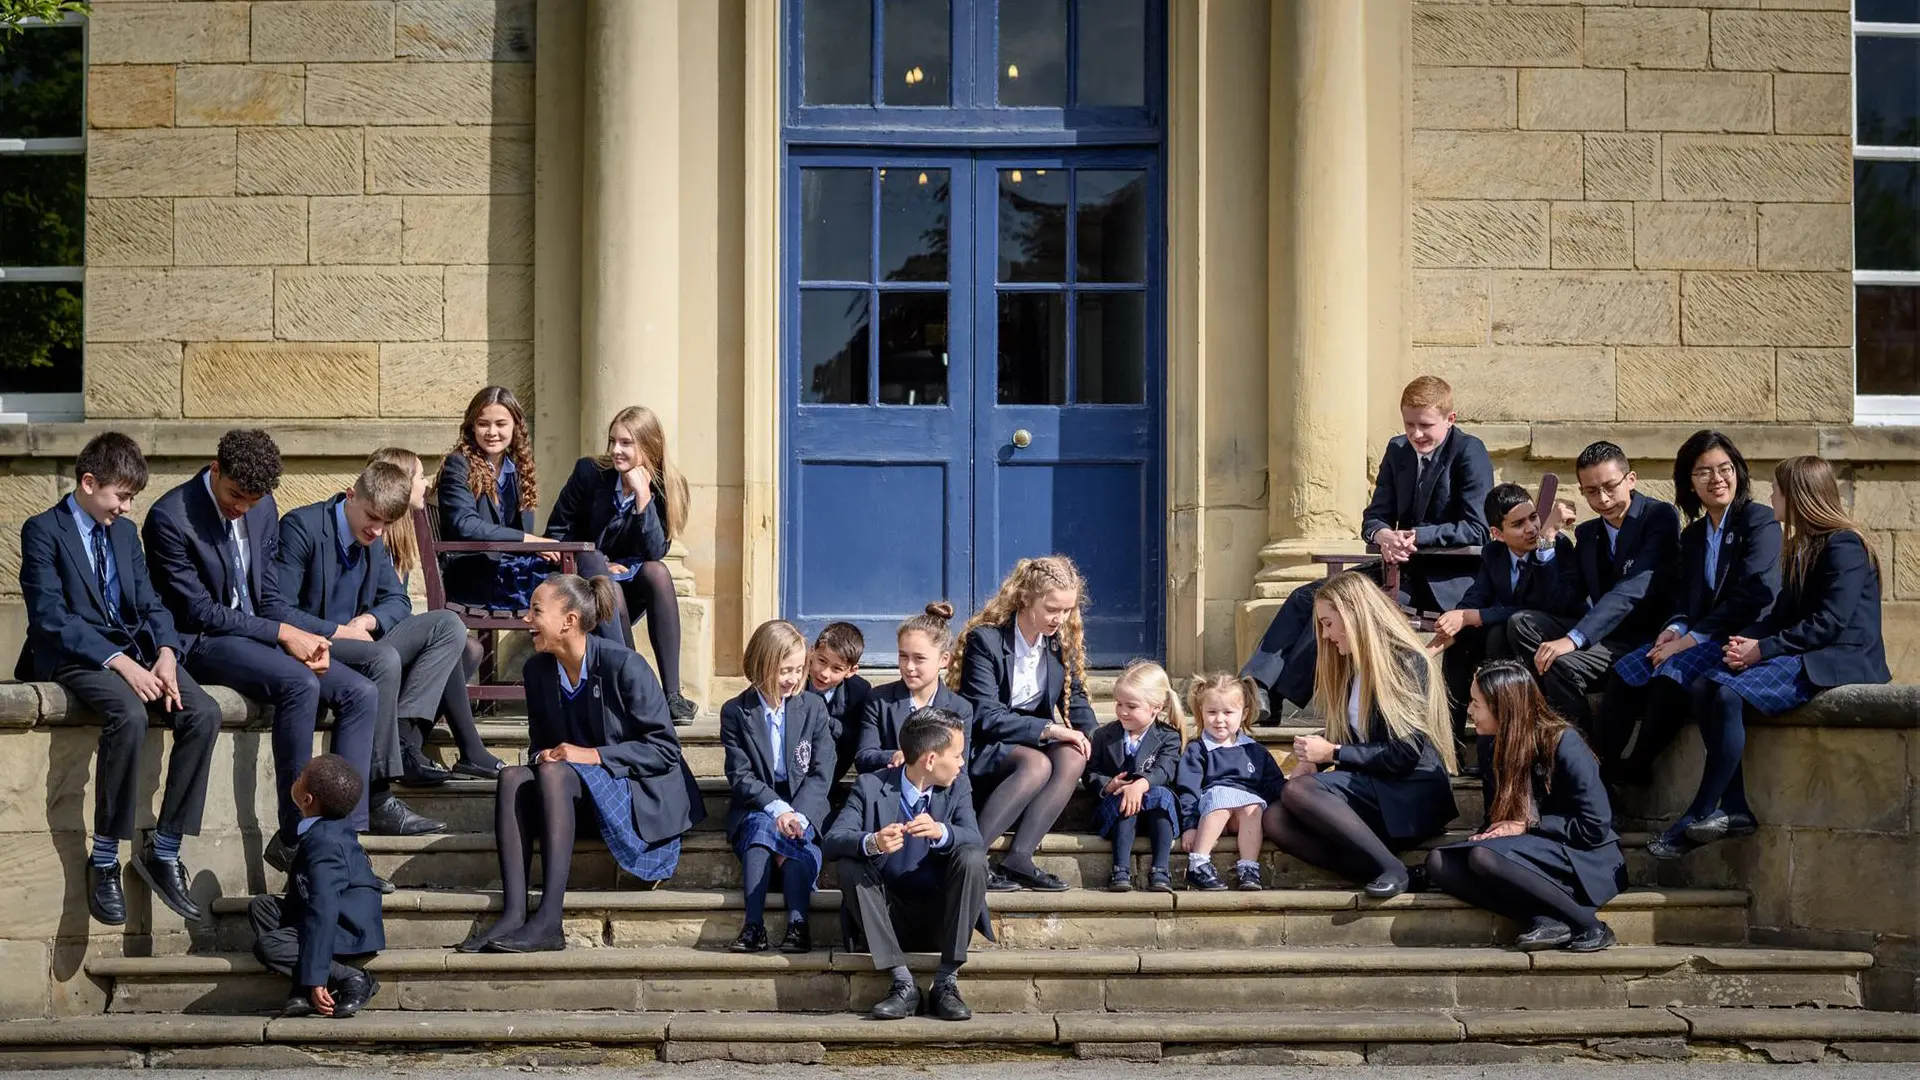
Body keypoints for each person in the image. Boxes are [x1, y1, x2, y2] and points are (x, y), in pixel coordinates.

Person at [143, 430, 381, 867]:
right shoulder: (170, 518)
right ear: (215, 470)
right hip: (200, 642)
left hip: (259, 633)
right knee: (299, 682)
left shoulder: (263, 506)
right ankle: (295, 835)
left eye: (253, 501)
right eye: (235, 495)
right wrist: (282, 635)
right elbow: (200, 612)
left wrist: (302, 637)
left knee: (361, 693)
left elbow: (269, 597)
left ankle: (344, 838)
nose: (242, 508)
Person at [17, 432, 222, 925]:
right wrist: (119, 662)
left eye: (132, 497)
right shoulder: (43, 530)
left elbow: (151, 603)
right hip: (73, 654)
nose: (128, 508)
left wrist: (168, 653)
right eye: (121, 496)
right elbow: (50, 617)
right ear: (88, 483)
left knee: (205, 711)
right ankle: (105, 857)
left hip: (137, 649)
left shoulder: (126, 535)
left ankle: (165, 849)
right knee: (128, 715)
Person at [1650, 455, 1892, 860]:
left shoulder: (1844, 545)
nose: (1770, 496)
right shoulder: (1799, 547)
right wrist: (1745, 641)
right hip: (1807, 651)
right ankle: (1736, 808)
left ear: (1798, 495)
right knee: (1705, 682)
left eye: (1777, 489)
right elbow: (1780, 615)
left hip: (1841, 659)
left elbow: (1829, 623)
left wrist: (1763, 649)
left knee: (1727, 693)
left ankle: (1702, 809)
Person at [458, 575, 703, 953]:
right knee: (512, 777)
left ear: (568, 621)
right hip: (575, 796)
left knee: (555, 773)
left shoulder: (625, 666)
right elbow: (539, 745)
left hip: (636, 794)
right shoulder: (537, 670)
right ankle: (513, 914)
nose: (526, 619)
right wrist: (543, 755)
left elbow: (665, 750)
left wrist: (591, 755)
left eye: (536, 610)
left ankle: (549, 920)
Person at [1242, 375, 1493, 720]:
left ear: (1450, 420)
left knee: (1342, 604)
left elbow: (1477, 528)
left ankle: (1280, 695)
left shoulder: (1468, 451)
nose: (1416, 434)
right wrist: (1382, 536)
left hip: (1443, 582)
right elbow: (1374, 517)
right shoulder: (1397, 450)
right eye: (1409, 424)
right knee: (1308, 596)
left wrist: (1416, 537)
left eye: (1425, 425)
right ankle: (1259, 689)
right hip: (1395, 571)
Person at [276, 461, 466, 834]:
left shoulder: (374, 538)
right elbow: (278, 608)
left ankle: (403, 737)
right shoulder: (302, 527)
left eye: (385, 525)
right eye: (372, 518)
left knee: (448, 625)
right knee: (384, 658)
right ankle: (378, 795)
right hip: (312, 642)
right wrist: (338, 631)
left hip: (357, 639)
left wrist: (367, 622)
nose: (376, 530)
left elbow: (397, 601)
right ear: (351, 496)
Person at [1595, 431, 1780, 789]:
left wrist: (1690, 640)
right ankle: (1599, 770)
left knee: (1672, 672)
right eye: (1703, 472)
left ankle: (1637, 768)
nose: (1717, 479)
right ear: (1689, 483)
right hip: (1697, 634)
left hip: (1743, 635)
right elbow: (1684, 597)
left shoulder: (1759, 521)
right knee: (1627, 668)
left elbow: (1752, 596)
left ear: (1738, 472)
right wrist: (1676, 628)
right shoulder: (1693, 535)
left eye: (1724, 468)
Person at [1264, 572, 1458, 899]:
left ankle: (1391, 869)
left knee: (1301, 790)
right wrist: (1315, 758)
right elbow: (1358, 732)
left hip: (1410, 793)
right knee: (1274, 818)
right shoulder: (1354, 667)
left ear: (1353, 614)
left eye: (1328, 623)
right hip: (1374, 791)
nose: (1324, 636)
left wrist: (1332, 753)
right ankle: (1400, 871)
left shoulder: (1406, 662)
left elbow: (1405, 753)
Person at [1424, 661, 1625, 953]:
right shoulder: (1490, 744)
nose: (1469, 711)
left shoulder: (1563, 742)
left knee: (1483, 858)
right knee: (1439, 863)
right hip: (1527, 847)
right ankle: (1545, 918)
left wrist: (1529, 824)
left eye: (1476, 704)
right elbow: (1496, 815)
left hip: (1579, 852)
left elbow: (1594, 826)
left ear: (1502, 707)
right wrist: (1487, 834)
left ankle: (1591, 926)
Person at [823, 707, 989, 1022]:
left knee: (972, 856)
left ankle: (946, 983)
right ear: (930, 759)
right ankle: (902, 983)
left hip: (942, 917)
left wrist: (943, 832)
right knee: (849, 861)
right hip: (887, 918)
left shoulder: (958, 786)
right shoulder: (870, 785)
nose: (961, 762)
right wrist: (872, 842)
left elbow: (975, 838)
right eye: (957, 755)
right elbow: (833, 840)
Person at [1504, 441, 1682, 732]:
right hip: (1601, 636)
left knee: (1560, 665)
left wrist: (1573, 640)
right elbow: (1559, 600)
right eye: (1591, 491)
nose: (1603, 499)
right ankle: (1541, 713)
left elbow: (1630, 591)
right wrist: (1547, 536)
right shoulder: (1588, 534)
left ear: (1631, 479)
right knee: (1520, 623)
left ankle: (1583, 752)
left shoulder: (1658, 517)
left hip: (1646, 637)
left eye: (1610, 486)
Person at [434, 386, 626, 645]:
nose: (492, 432)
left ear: (515, 426)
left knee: (596, 573)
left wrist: (593, 565)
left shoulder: (516, 468)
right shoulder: (459, 465)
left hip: (509, 571)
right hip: (478, 579)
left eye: (501, 423)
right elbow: (465, 525)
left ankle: (618, 666)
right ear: (471, 427)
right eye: (483, 424)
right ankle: (621, 667)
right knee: (586, 587)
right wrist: (530, 540)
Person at [543, 405, 698, 721]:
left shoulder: (665, 485)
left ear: (648, 445)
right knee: (598, 565)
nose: (615, 450)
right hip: (582, 574)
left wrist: (643, 500)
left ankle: (671, 694)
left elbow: (655, 551)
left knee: (658, 572)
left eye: (626, 443)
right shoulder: (589, 472)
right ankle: (632, 684)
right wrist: (600, 561)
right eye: (613, 441)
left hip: (628, 579)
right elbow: (556, 532)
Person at [953, 555, 1097, 892]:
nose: (1059, 618)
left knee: (1073, 754)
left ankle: (1019, 857)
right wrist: (1051, 729)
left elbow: (1076, 699)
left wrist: (1091, 740)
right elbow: (986, 715)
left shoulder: (1060, 641)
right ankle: (970, 856)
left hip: (1032, 738)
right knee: (1036, 765)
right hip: (989, 741)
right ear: (1025, 599)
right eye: (1051, 609)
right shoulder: (986, 641)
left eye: (1066, 610)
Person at [1431, 482, 1584, 788]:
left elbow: (1543, 604)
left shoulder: (1557, 547)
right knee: (1466, 640)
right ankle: (1451, 748)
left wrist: (1546, 542)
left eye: (1533, 519)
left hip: (1553, 630)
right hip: (1512, 629)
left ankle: (1501, 740)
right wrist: (1457, 619)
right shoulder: (1494, 554)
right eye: (1518, 524)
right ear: (1497, 534)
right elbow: (1478, 594)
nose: (1530, 528)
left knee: (1501, 629)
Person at [365, 447, 503, 779]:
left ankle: (410, 744)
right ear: (399, 482)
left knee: (471, 649)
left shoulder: (404, 537)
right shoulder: (373, 534)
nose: (427, 486)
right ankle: (469, 751)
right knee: (449, 633)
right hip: (369, 648)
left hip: (391, 645)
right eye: (420, 476)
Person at [720, 620, 834, 954]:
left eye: (800, 670)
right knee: (759, 835)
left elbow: (822, 769)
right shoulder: (736, 712)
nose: (794, 679)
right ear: (762, 666)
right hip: (759, 802)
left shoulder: (812, 707)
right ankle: (753, 926)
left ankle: (799, 925)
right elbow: (741, 776)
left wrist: (798, 813)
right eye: (786, 670)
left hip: (803, 801)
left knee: (796, 844)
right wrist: (777, 809)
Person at [247, 753, 385, 1018]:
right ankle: (302, 987)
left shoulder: (325, 844)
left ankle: (349, 978)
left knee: (269, 946)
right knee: (262, 907)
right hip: (327, 911)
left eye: (300, 778)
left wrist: (318, 975)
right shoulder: (326, 827)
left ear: (307, 799)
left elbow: (323, 910)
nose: (296, 779)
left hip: (346, 926)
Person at [1084, 660, 1185, 893]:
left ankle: (1160, 869)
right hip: (1116, 811)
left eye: (1131, 706)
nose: (1122, 711)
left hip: (1154, 808)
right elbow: (1090, 772)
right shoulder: (1103, 735)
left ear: (1156, 707)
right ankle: (1120, 869)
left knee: (1162, 795)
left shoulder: (1168, 737)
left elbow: (1165, 769)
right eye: (1118, 704)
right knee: (1124, 797)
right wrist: (1108, 785)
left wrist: (1141, 784)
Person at [1175, 673, 1284, 891]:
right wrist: (1190, 825)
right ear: (1201, 713)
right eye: (1212, 712)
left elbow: (1274, 784)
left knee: (1253, 806)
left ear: (1243, 714)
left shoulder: (1255, 751)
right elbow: (1188, 789)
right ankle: (1199, 864)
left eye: (1228, 712)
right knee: (1221, 795)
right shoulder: (1198, 750)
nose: (1219, 719)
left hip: (1241, 818)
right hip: (1211, 813)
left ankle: (1249, 868)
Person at [854, 603, 973, 775]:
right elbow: (864, 757)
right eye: (903, 656)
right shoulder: (880, 699)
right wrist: (894, 756)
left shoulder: (960, 708)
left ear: (944, 659)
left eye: (919, 658)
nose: (909, 666)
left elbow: (960, 769)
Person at [805, 621, 872, 783]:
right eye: (821, 661)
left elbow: (855, 739)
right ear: (811, 653)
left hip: (831, 775)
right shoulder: (793, 683)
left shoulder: (859, 692)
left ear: (851, 671)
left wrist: (828, 722)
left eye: (836, 669)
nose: (825, 674)